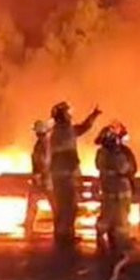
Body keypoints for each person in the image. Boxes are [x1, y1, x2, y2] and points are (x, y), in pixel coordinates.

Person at [49, 101, 102, 246]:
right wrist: (93, 116)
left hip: (60, 174)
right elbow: (81, 129)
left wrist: (93, 116)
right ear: (62, 115)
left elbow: (81, 128)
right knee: (68, 206)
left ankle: (63, 235)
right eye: (67, 112)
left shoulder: (59, 130)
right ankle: (65, 237)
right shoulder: (64, 131)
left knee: (64, 206)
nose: (70, 115)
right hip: (65, 175)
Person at [95, 121, 137, 255]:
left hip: (108, 190)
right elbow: (125, 168)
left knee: (107, 215)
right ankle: (122, 243)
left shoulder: (101, 153)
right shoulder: (117, 154)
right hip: (120, 191)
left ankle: (102, 236)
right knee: (121, 219)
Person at [24, 120, 53, 238]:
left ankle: (28, 223)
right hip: (45, 178)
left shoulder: (44, 144)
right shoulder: (43, 143)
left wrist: (39, 174)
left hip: (46, 178)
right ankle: (28, 223)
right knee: (35, 201)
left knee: (49, 202)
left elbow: (43, 161)